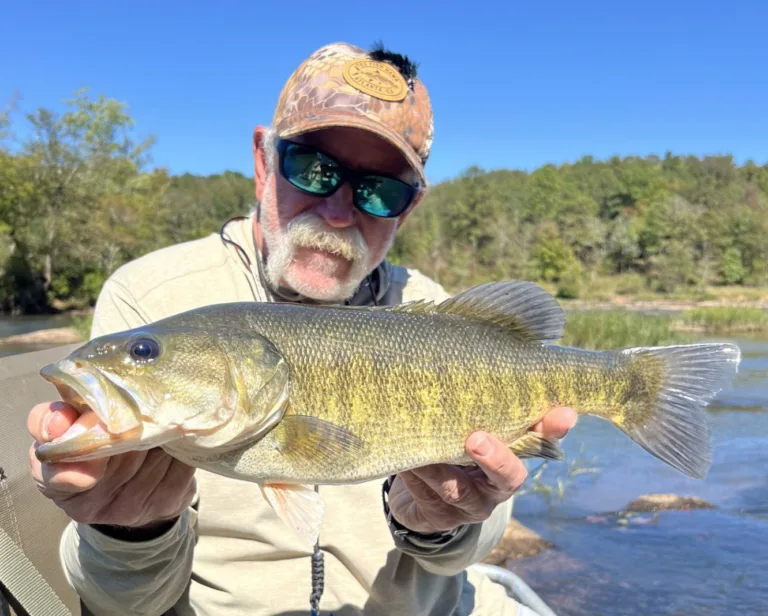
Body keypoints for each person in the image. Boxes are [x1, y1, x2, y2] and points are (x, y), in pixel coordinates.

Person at [27, 42, 576, 616]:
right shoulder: (151, 298)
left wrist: (444, 526)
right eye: (314, 170)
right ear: (264, 160)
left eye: (380, 190)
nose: (340, 211)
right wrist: (129, 534)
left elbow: (463, 556)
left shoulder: (434, 310)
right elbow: (125, 604)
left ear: (409, 208)